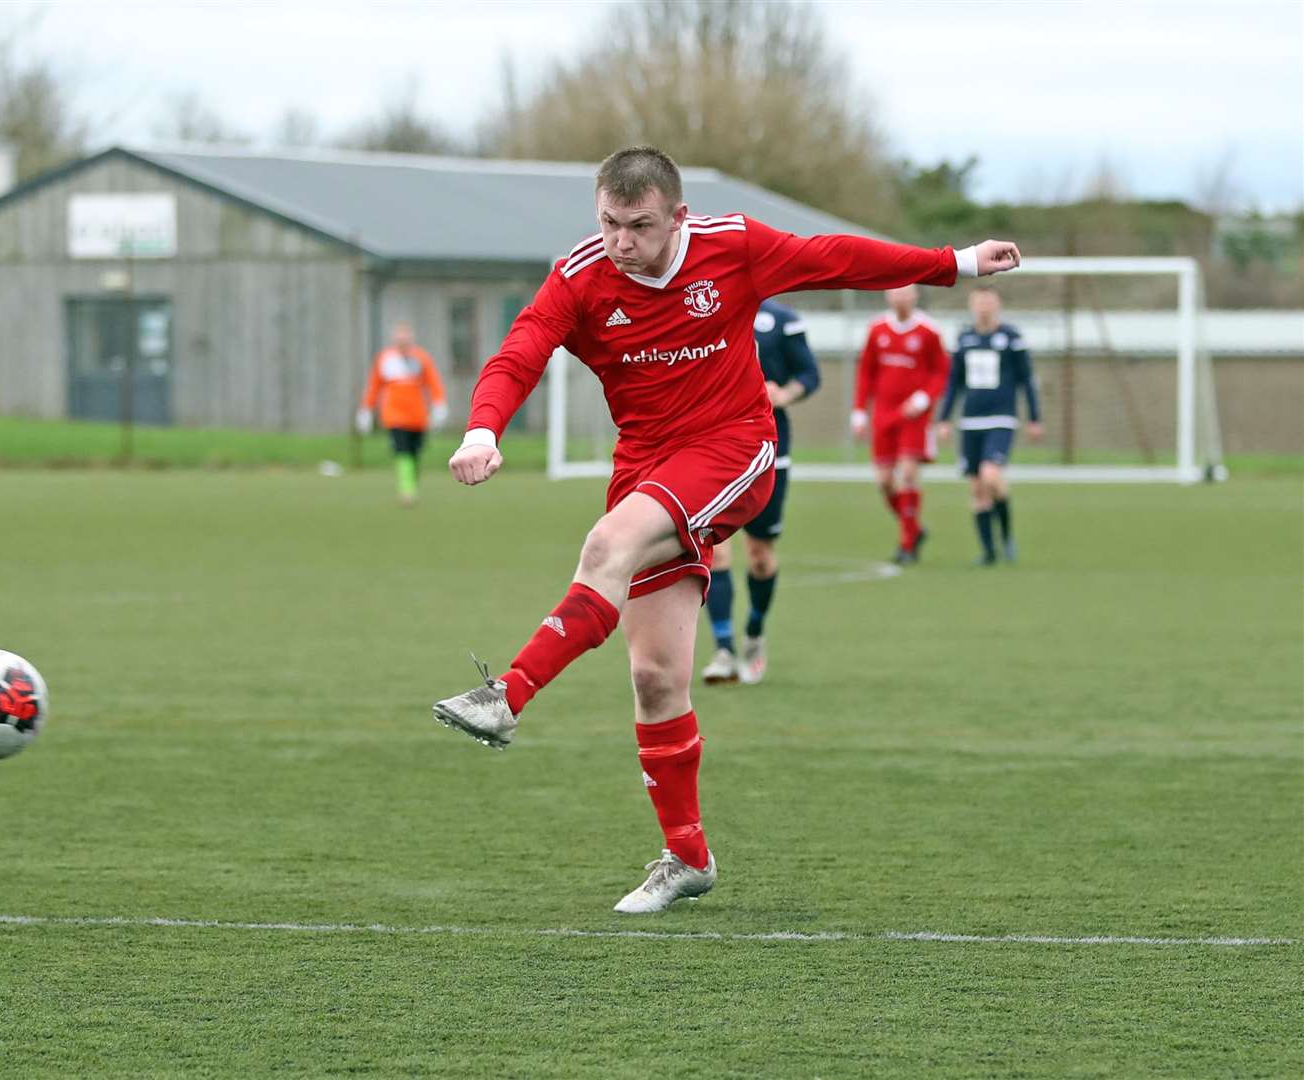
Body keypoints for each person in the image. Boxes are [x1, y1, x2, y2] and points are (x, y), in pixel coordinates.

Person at [431, 145, 1019, 914]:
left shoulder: (729, 246)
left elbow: (833, 257)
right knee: (655, 678)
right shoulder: (579, 276)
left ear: (675, 216)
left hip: (734, 446)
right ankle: (686, 856)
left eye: (637, 225)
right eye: (607, 222)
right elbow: (520, 352)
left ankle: (505, 695)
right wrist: (483, 431)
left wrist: (954, 261)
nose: (620, 241)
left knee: (605, 545)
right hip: (643, 466)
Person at [701, 298, 820, 685]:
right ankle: (723, 649)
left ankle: (754, 632)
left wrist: (784, 394)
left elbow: (809, 374)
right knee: (715, 549)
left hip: (769, 449)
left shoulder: (783, 319)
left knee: (760, 556)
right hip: (715, 446)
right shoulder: (707, 307)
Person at [937, 286, 1042, 564]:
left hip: (1001, 418)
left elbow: (1027, 380)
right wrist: (944, 419)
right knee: (977, 488)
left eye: (988, 301)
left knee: (991, 475)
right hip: (970, 421)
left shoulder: (1011, 338)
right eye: (979, 301)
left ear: (998, 304)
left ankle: (1006, 536)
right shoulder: (964, 338)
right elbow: (953, 383)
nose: (984, 306)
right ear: (972, 305)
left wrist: (1034, 417)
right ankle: (988, 552)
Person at [850, 285, 950, 564]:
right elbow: (866, 373)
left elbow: (941, 373)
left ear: (915, 296)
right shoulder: (877, 329)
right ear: (887, 296)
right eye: (896, 292)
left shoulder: (929, 331)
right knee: (884, 481)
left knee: (907, 474)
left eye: (906, 293)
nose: (901, 297)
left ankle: (906, 545)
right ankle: (914, 528)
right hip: (883, 414)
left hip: (914, 416)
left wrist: (923, 398)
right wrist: (859, 411)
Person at [357, 323, 448, 505]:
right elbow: (374, 386)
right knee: (402, 451)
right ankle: (406, 490)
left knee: (414, 454)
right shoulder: (384, 359)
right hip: (394, 415)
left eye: (405, 336)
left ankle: (411, 484)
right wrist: (366, 409)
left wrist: (440, 404)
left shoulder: (421, 358)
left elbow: (433, 382)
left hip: (417, 416)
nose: (402, 340)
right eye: (399, 336)